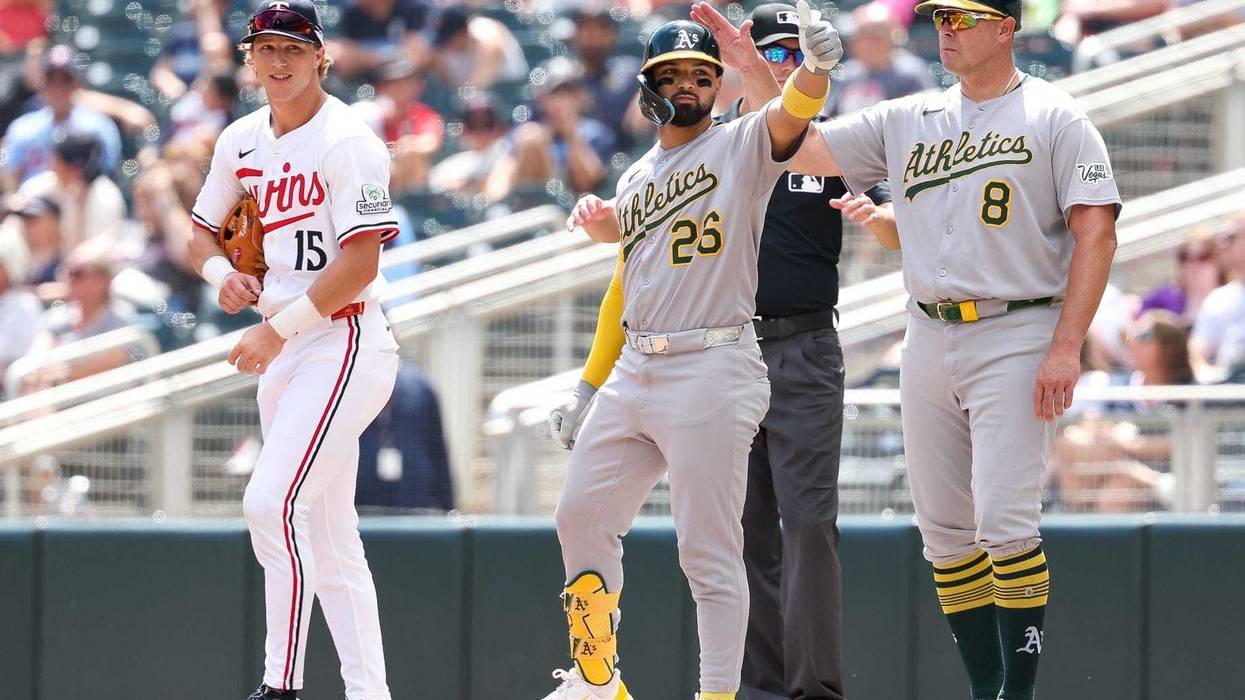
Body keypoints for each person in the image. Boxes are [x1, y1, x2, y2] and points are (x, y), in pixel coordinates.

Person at [752, 1, 1121, 698]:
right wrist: (801, 77)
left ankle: (1018, 693)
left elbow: (1095, 233)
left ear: (1006, 27)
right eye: (941, 17)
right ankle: (987, 690)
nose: (946, 28)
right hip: (924, 330)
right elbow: (793, 147)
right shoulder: (908, 117)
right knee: (945, 536)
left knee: (1005, 521)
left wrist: (1065, 347)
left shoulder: (1053, 116)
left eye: (964, 17)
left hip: (1016, 326)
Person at [542, 4, 844, 699]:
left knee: (706, 553)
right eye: (673, 75)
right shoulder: (635, 180)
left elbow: (793, 113)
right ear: (647, 86)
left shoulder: (739, 144)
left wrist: (813, 68)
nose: (688, 87)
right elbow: (626, 281)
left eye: (700, 76)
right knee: (578, 518)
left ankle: (714, 695)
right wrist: (588, 387)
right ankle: (597, 681)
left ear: (717, 85)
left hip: (713, 364)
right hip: (638, 367)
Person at [184, 2, 402, 698]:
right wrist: (225, 274)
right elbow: (200, 234)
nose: (278, 62)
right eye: (265, 49)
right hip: (286, 346)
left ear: (321, 58)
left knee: (270, 504)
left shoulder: (349, 141)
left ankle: (281, 686)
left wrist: (275, 328)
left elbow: (361, 263)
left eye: (292, 49)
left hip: (344, 338)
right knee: (335, 541)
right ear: (249, 58)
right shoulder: (240, 141)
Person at [708, 4, 896, 699]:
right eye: (773, 54)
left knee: (809, 526)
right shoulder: (715, 145)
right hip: (725, 352)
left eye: (797, 54)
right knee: (744, 531)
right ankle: (757, 690)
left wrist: (882, 220)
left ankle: (813, 691)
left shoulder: (829, 142)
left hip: (805, 349)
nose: (787, 65)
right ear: (741, 59)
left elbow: (895, 220)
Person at [1051, 310, 1190, 513]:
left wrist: (1133, 444)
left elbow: (1188, 443)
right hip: (1112, 472)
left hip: (1172, 476)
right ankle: (1155, 482)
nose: (1131, 343)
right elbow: (1092, 425)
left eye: (1142, 337)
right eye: (1128, 336)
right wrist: (1120, 440)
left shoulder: (1188, 391)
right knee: (1071, 442)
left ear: (1169, 346)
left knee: (1116, 492)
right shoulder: (1117, 385)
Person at [0, 44, 122, 189]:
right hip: (34, 206)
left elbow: (107, 175)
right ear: (42, 84)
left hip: (81, 201)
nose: (58, 89)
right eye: (52, 81)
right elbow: (10, 183)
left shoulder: (99, 126)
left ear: (77, 84)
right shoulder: (22, 128)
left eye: (65, 81)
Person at [825, 2, 936, 117]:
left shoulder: (911, 74)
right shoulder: (849, 72)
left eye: (876, 37)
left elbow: (926, 118)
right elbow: (828, 116)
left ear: (893, 38)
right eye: (862, 36)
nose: (868, 44)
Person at [1189, 212, 1245, 382]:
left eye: (1230, 237)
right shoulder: (1218, 299)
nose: (1222, 244)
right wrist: (1204, 372)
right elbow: (1199, 350)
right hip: (1231, 389)